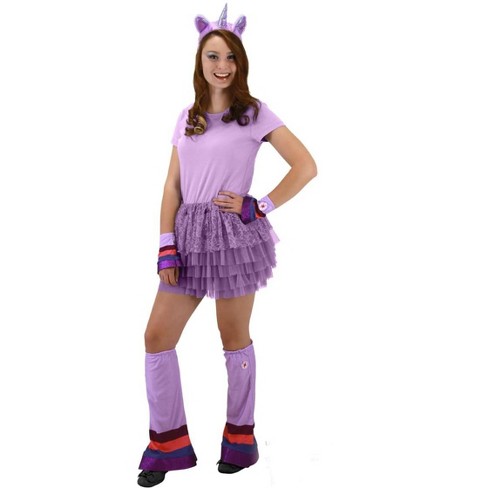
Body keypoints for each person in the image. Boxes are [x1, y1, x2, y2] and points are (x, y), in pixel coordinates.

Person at [137, 4, 317, 487]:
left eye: (231, 57)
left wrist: (260, 206)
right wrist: (166, 243)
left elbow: (305, 166)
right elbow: (172, 186)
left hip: (234, 239)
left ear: (241, 62)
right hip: (187, 238)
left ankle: (240, 441)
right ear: (200, 61)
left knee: (232, 336)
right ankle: (167, 444)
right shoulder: (188, 117)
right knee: (157, 337)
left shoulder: (254, 113)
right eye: (213, 56)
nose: (222, 65)